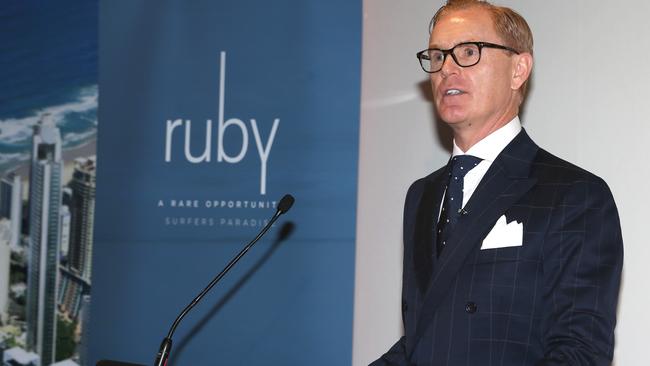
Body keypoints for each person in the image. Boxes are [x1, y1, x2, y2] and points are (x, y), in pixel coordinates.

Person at [371, 1, 623, 365]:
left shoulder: (574, 194)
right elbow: (425, 340)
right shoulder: (422, 195)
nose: (447, 69)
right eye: (438, 55)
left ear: (518, 69)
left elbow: (580, 350)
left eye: (469, 52)